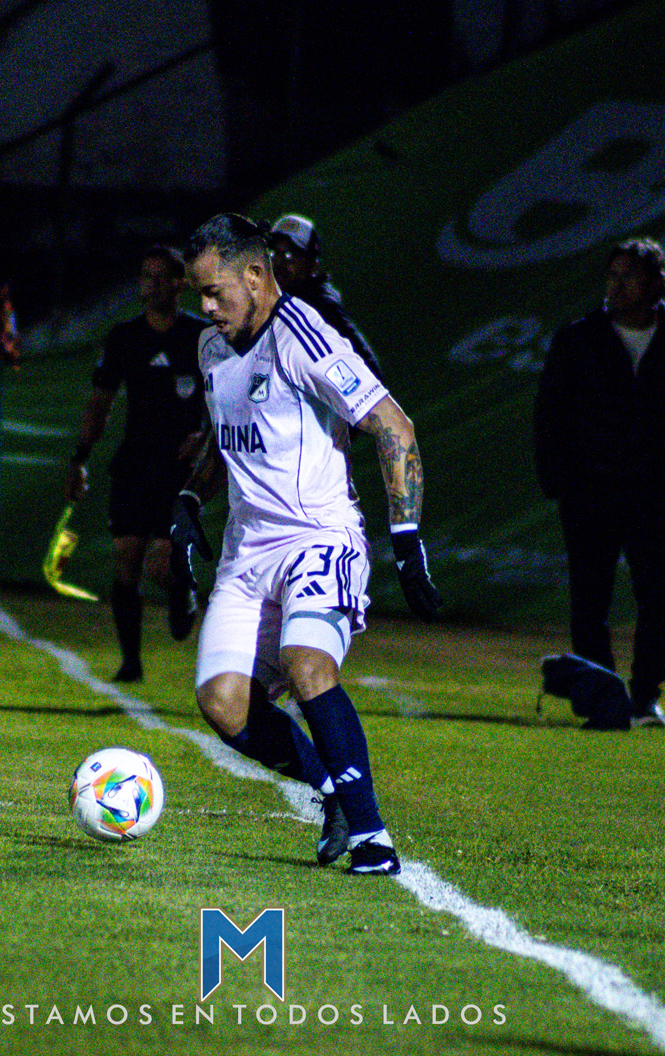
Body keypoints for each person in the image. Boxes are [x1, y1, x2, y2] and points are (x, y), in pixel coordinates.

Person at [172, 213, 440, 875]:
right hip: (245, 555)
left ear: (254, 275)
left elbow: (393, 426)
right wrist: (188, 501)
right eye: (199, 295)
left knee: (306, 660)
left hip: (318, 536)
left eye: (213, 293)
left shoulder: (303, 335)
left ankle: (373, 837)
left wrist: (406, 538)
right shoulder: (211, 348)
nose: (206, 308)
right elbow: (223, 437)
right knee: (222, 703)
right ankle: (333, 792)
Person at [534, 237, 665, 728]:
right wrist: (558, 479)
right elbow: (550, 414)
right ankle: (602, 697)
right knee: (590, 599)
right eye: (613, 275)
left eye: (630, 276)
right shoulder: (579, 338)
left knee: (659, 596)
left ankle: (645, 697)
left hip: (655, 494)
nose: (617, 285)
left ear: (657, 282)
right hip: (590, 492)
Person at [66, 245, 208, 682]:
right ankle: (130, 662)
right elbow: (100, 402)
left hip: (179, 468)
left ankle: (182, 589)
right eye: (146, 275)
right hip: (135, 463)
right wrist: (80, 458)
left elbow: (226, 395)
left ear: (180, 283)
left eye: (162, 276)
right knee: (126, 558)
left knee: (159, 564)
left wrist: (205, 433)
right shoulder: (125, 336)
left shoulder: (200, 337)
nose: (152, 284)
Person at [269, 213, 384, 381]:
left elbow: (367, 366)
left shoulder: (319, 305)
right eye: (274, 254)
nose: (279, 263)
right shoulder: (277, 302)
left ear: (312, 263)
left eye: (289, 256)